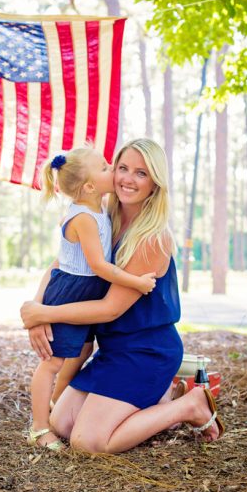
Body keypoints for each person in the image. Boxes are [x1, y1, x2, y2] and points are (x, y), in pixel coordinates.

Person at [21, 138, 225, 454]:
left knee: (88, 442)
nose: (128, 179)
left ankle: (189, 405)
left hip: (147, 352)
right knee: (62, 424)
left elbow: (110, 309)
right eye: (122, 168)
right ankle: (161, 397)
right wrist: (37, 306)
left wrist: (45, 315)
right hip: (113, 349)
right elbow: (63, 262)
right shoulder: (103, 219)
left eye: (141, 173)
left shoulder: (151, 237)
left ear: (155, 183)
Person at [28, 146, 157, 451]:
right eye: (105, 168)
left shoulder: (102, 208)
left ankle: (57, 404)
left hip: (87, 291)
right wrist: (136, 282)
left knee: (80, 352)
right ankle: (38, 426)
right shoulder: (84, 217)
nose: (112, 170)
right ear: (88, 186)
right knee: (52, 362)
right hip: (72, 291)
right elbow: (98, 265)